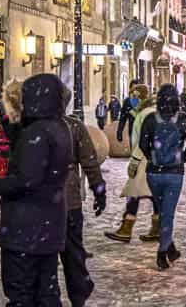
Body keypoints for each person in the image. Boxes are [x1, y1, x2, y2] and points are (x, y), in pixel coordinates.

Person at [0, 74, 72, 307]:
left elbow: (26, 181)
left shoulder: (37, 132)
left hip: (25, 230)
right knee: (46, 293)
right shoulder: (59, 128)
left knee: (21, 293)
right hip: (49, 227)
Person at [139, 84, 186, 269]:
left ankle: (170, 247)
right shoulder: (183, 119)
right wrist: (181, 158)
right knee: (168, 214)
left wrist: (152, 157)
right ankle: (162, 252)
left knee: (162, 209)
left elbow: (142, 144)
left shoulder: (150, 119)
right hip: (174, 173)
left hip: (154, 173)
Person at [61, 86, 106, 306]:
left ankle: (67, 292)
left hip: (44, 204)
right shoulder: (73, 126)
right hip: (68, 201)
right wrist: (99, 190)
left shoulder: (33, 126)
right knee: (72, 251)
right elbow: (90, 161)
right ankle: (78, 292)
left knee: (47, 256)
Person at [105, 84, 161, 243]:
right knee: (152, 194)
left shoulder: (146, 114)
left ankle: (126, 228)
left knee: (133, 192)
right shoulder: (146, 112)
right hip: (153, 159)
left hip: (144, 159)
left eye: (135, 96)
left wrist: (135, 160)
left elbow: (144, 140)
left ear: (142, 97)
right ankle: (156, 227)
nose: (132, 99)